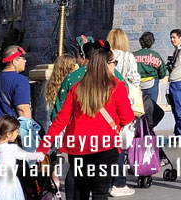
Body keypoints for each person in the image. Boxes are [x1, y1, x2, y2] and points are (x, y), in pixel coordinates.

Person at [41, 45, 135, 200]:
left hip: (78, 145)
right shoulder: (117, 87)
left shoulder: (77, 87)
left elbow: (61, 120)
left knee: (80, 191)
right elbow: (127, 118)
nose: (115, 66)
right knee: (100, 192)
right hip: (106, 145)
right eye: (114, 63)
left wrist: (43, 148)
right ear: (105, 64)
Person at [0, 115, 46, 200]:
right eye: (16, 131)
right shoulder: (11, 149)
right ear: (8, 134)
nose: (18, 134)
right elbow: (27, 155)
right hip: (7, 184)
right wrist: (40, 155)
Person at [106, 29, 140, 197]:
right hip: (124, 100)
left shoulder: (106, 56)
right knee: (121, 142)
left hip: (107, 102)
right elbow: (135, 79)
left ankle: (105, 180)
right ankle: (118, 182)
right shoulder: (128, 57)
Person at [0, 46, 32, 120]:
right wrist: (28, 129)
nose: (25, 61)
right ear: (15, 61)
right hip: (12, 128)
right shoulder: (21, 80)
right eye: (23, 58)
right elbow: (22, 109)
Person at [133, 32, 166, 125]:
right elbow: (163, 72)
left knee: (138, 108)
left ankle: (138, 128)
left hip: (138, 85)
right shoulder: (156, 55)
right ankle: (149, 128)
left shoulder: (133, 55)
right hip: (152, 85)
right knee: (152, 109)